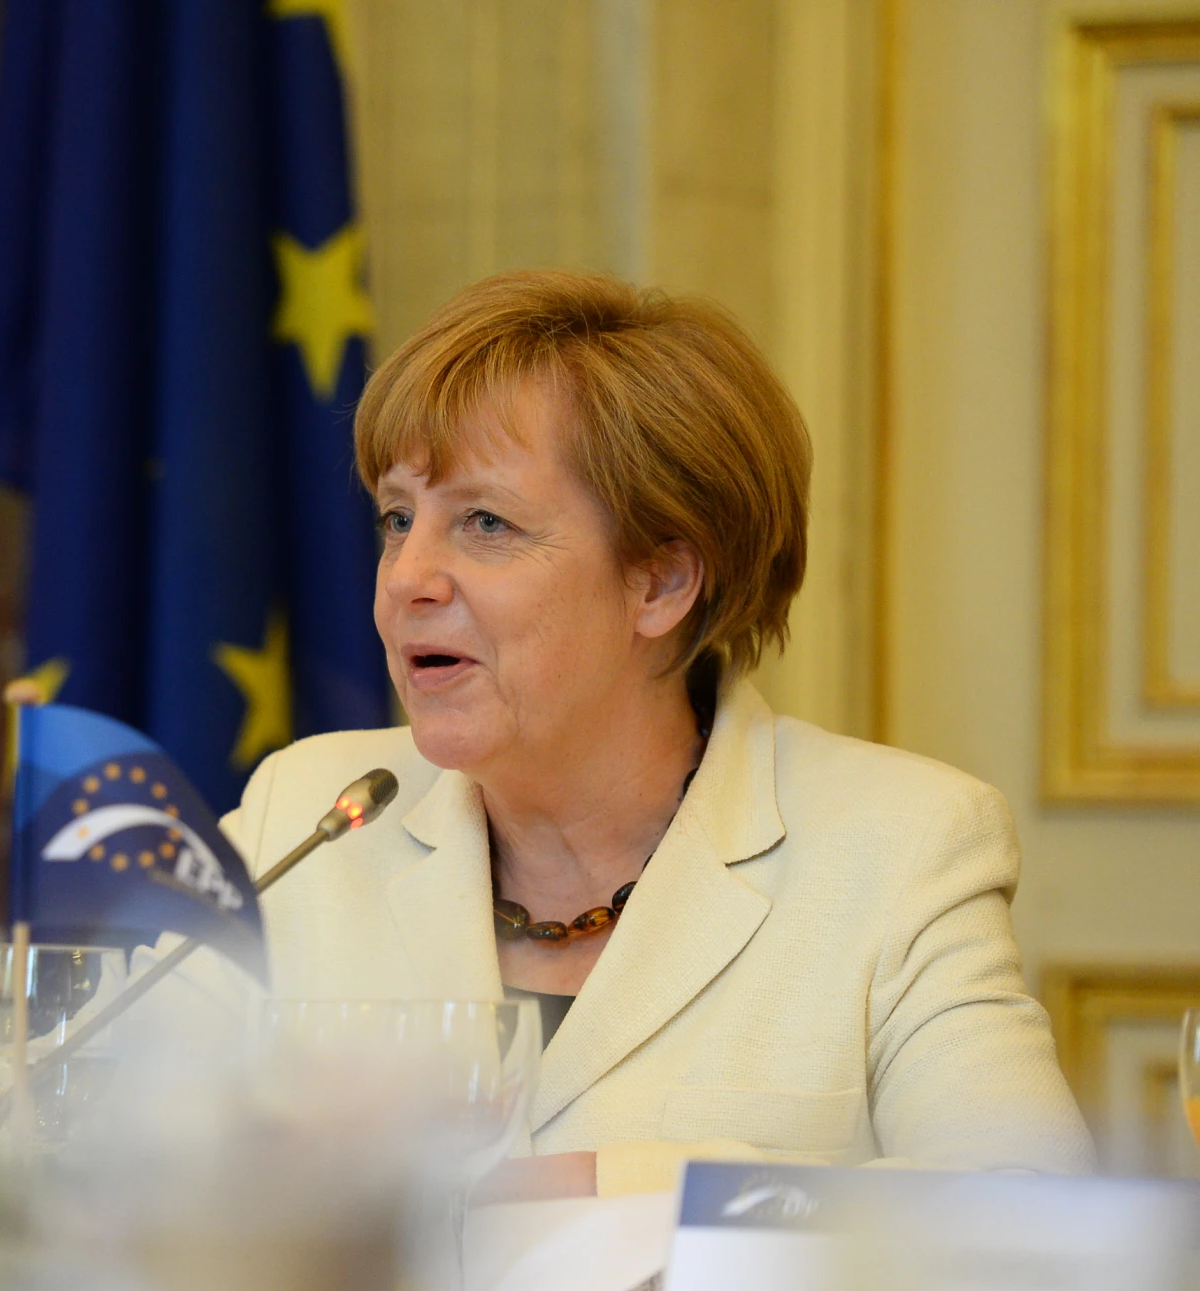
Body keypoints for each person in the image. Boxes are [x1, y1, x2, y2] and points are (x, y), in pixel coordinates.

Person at [222, 271, 1092, 1197]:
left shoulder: (900, 845)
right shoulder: (307, 816)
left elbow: (1028, 1215)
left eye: (484, 522)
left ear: (659, 583)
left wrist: (615, 1193)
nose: (406, 578)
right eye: (398, 518)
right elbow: (113, 1148)